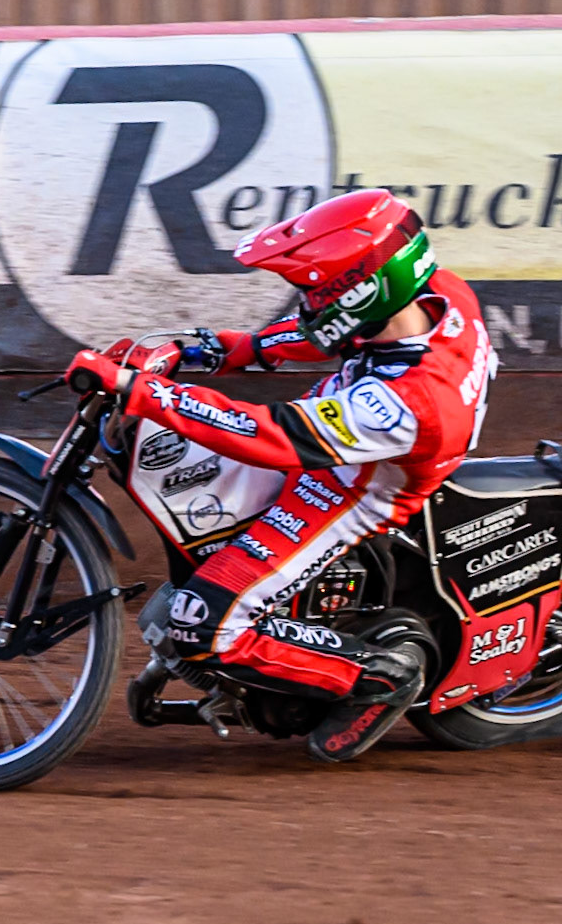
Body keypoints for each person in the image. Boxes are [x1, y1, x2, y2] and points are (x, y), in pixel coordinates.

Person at [66, 188, 497, 762]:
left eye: (318, 292)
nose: (308, 303)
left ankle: (379, 677)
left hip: (348, 491)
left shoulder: (410, 403)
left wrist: (141, 391)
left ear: (364, 292)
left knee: (199, 623)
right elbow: (319, 335)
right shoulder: (437, 294)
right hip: (350, 443)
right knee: (190, 500)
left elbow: (270, 436)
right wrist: (213, 350)